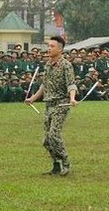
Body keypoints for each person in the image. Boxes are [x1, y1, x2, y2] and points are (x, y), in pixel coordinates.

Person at [25, 36, 78, 176]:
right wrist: (33, 98)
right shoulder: (48, 65)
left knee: (54, 135)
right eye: (48, 46)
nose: (49, 49)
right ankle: (56, 165)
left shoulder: (66, 65)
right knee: (46, 141)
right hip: (49, 105)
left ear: (60, 49)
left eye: (52, 46)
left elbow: (71, 84)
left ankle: (66, 162)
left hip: (61, 104)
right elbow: (45, 85)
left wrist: (72, 98)